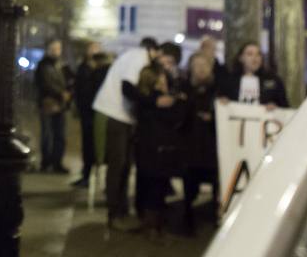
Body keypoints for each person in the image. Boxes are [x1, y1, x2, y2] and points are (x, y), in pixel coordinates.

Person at [92, 36, 159, 231]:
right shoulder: (139, 56)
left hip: (122, 116)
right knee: (118, 165)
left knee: (124, 166)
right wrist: (150, 102)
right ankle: (114, 214)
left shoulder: (137, 57)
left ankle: (121, 209)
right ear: (154, 51)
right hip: (114, 113)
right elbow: (127, 87)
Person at [132, 42, 186, 239]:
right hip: (151, 144)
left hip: (163, 145)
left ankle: (154, 221)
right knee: (150, 182)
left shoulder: (173, 88)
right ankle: (150, 222)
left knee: (157, 183)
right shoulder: (150, 95)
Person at [179, 52, 219, 233]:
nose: (201, 69)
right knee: (189, 185)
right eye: (197, 65)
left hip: (211, 147)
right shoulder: (184, 89)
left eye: (205, 65)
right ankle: (187, 219)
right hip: (191, 146)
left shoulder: (218, 90)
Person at [71, 42, 108, 188]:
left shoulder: (97, 71)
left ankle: (88, 174)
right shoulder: (85, 68)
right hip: (88, 112)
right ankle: (87, 174)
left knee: (92, 145)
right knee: (89, 145)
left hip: (93, 113)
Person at [35, 40, 70, 174]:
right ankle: (46, 162)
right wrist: (60, 93)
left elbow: (67, 81)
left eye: (58, 48)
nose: (56, 51)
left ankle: (57, 162)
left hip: (60, 105)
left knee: (59, 135)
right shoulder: (43, 65)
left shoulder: (60, 65)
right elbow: (44, 84)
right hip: (48, 104)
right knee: (48, 135)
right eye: (53, 48)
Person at [219, 42, 289, 108]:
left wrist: (275, 106)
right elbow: (219, 101)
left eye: (258, 54)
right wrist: (222, 101)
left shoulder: (274, 80)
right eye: (250, 54)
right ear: (241, 58)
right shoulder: (229, 81)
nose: (255, 58)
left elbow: (285, 106)